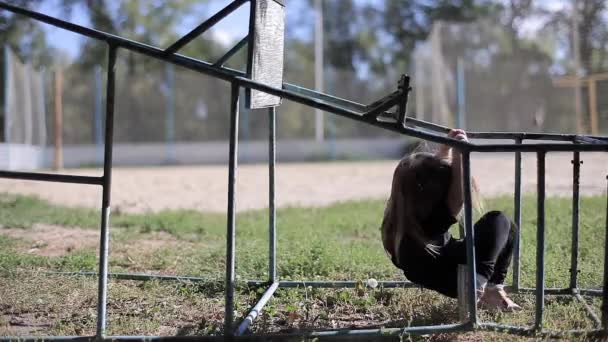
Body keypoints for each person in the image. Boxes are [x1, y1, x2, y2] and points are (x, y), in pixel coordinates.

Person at [380, 129, 521, 311]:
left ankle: (491, 291)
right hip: (456, 276)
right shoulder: (431, 223)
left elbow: (425, 178)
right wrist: (459, 153)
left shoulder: (398, 220)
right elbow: (458, 198)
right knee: (499, 220)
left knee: (505, 229)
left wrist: (444, 151)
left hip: (441, 269)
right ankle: (477, 285)